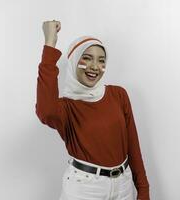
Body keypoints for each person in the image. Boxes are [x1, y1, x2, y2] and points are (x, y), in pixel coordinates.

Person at [35, 20, 150, 200]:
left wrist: (143, 190)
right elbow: (45, 111)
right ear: (74, 61)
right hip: (85, 189)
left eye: (101, 60)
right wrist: (50, 43)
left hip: (123, 185)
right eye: (87, 58)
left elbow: (133, 146)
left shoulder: (118, 95)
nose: (95, 67)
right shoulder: (65, 107)